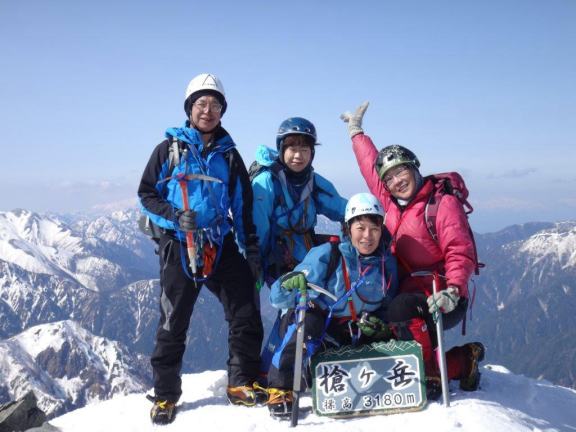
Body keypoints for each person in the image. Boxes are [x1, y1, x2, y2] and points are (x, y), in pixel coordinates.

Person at [138, 73, 264, 424]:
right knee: (173, 320)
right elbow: (146, 194)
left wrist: (251, 250)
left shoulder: (230, 155)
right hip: (179, 245)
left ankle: (240, 381)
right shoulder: (168, 151)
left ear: (223, 111)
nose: (208, 110)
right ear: (189, 109)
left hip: (219, 243)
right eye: (201, 103)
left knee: (244, 310)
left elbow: (242, 207)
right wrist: (174, 216)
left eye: (215, 105)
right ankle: (165, 395)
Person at [341, 102, 485, 399]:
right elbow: (371, 168)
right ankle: (463, 360)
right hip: (405, 290)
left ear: (414, 167)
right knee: (376, 322)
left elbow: (460, 250)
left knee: (400, 310)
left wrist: (454, 290)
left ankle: (428, 376)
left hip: (441, 294)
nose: (396, 181)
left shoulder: (442, 204)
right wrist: (356, 133)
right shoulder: (391, 203)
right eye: (389, 178)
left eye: (401, 171)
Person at [265, 193, 399, 419]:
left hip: (356, 333)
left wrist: (382, 326)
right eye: (360, 228)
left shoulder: (386, 265)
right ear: (348, 228)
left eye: (374, 229)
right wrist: (287, 285)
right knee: (309, 319)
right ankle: (281, 387)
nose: (368, 236)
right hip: (321, 332)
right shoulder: (329, 255)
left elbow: (387, 305)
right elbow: (277, 299)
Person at [251, 117, 348, 286]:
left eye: (304, 149)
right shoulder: (266, 182)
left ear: (312, 153)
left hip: (307, 252)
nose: (298, 155)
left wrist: (369, 220)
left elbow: (344, 209)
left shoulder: (313, 182)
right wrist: (256, 264)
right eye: (293, 149)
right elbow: (259, 228)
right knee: (291, 298)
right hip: (277, 256)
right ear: (282, 149)